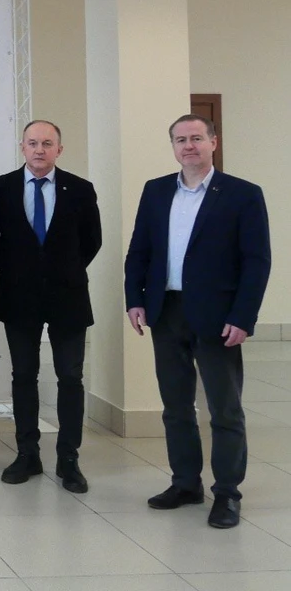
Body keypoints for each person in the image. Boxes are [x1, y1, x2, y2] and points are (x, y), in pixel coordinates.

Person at [125, 114, 271, 529]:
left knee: (224, 408)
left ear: (213, 142)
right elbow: (139, 251)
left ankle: (227, 492)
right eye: (180, 139)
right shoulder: (156, 191)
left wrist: (243, 316)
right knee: (175, 407)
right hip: (165, 311)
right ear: (173, 146)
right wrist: (135, 299)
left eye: (196, 138)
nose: (188, 146)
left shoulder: (243, 194)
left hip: (218, 317)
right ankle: (186, 482)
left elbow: (257, 261)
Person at [0, 120, 101, 493]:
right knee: (23, 375)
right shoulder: (0, 188)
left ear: (59, 149)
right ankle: (28, 454)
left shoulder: (80, 189)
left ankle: (68, 459)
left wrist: (61, 270)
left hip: (68, 297)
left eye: (47, 143)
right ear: (22, 146)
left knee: (70, 377)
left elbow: (92, 241)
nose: (40, 150)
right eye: (33, 143)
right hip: (19, 296)